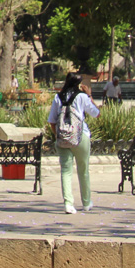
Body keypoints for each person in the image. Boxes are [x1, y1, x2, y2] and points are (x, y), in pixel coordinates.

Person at [47, 72, 100, 214]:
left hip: (63, 137)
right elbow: (96, 113)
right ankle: (87, 202)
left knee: (66, 170)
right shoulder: (82, 97)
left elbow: (52, 121)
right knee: (83, 170)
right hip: (80, 136)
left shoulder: (58, 97)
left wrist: (58, 135)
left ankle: (68, 203)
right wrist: (89, 95)